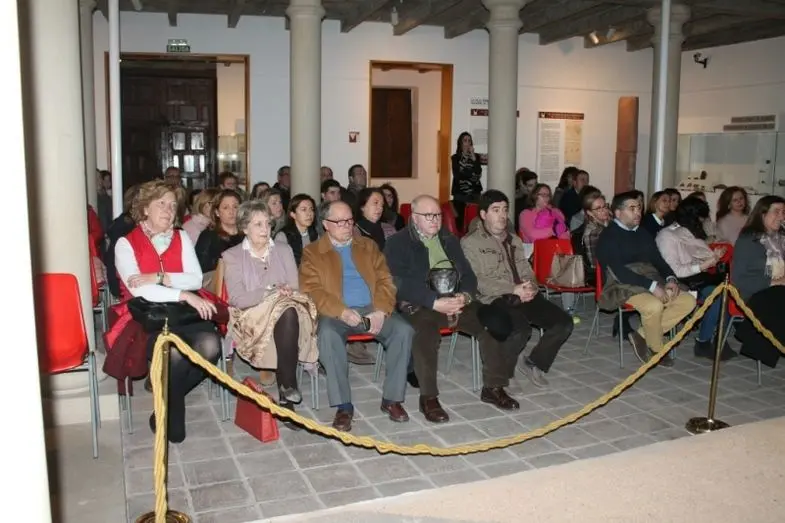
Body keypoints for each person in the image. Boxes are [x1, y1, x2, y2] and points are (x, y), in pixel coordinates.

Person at [385, 195, 524, 422]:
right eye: (428, 215)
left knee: (492, 322)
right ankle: (429, 397)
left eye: (437, 215)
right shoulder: (397, 243)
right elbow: (397, 282)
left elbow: (468, 276)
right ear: (414, 218)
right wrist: (433, 301)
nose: (434, 220)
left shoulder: (449, 239)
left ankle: (493, 387)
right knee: (425, 332)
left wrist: (464, 296)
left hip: (455, 301)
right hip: (421, 304)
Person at [110, 180, 221, 443]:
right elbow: (140, 290)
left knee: (211, 345)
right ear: (144, 209)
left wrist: (159, 277)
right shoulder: (125, 243)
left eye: (172, 205)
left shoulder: (181, 237)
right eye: (161, 204)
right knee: (173, 352)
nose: (169, 210)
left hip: (183, 312)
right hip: (145, 317)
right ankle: (171, 412)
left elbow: (195, 278)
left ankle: (165, 402)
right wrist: (182, 293)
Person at [299, 200, 414, 432]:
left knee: (404, 331)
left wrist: (381, 310)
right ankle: (343, 406)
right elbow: (312, 290)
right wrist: (341, 311)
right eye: (339, 221)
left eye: (349, 220)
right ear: (325, 224)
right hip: (336, 312)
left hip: (372, 308)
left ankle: (392, 399)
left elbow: (385, 280)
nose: (346, 225)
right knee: (328, 335)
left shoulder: (368, 246)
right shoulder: (313, 252)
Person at [462, 190, 573, 389]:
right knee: (520, 329)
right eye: (496, 210)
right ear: (483, 214)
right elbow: (478, 281)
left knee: (564, 323)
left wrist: (531, 286)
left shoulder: (514, 240)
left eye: (505, 209)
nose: (502, 215)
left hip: (522, 293)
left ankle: (534, 363)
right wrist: (513, 289)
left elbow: (525, 269)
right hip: (494, 297)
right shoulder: (470, 242)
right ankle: (506, 371)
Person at [222, 200, 319, 426]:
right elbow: (237, 298)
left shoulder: (283, 250)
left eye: (267, 223)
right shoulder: (232, 256)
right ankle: (288, 391)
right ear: (244, 227)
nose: (265, 229)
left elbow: (294, 287)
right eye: (258, 224)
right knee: (286, 311)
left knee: (288, 311)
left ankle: (286, 389)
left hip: (287, 310)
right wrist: (270, 291)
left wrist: (282, 293)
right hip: (251, 315)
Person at [596, 192, 696, 366]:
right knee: (654, 306)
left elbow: (658, 260)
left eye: (639, 208)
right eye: (632, 208)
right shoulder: (608, 236)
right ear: (618, 213)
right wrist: (652, 286)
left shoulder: (642, 233)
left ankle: (641, 335)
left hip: (649, 278)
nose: (637, 212)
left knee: (688, 301)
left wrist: (671, 279)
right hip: (621, 285)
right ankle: (657, 349)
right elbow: (619, 272)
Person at [656, 196, 735, 360]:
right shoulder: (667, 235)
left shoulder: (689, 232)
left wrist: (714, 256)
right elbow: (675, 271)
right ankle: (703, 342)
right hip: (679, 282)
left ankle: (719, 337)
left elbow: (700, 256)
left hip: (698, 277)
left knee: (731, 290)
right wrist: (706, 263)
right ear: (693, 218)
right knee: (718, 295)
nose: (704, 224)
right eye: (701, 220)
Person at [731, 195, 785, 368]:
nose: (781, 216)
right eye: (776, 211)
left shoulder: (782, 239)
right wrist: (774, 282)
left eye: (784, 212)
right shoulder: (748, 240)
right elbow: (738, 279)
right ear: (762, 214)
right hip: (755, 292)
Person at [194, 189, 244, 274]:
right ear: (217, 212)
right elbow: (200, 271)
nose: (231, 212)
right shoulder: (208, 236)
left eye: (235, 207)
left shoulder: (248, 234)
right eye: (226, 208)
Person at [573, 190, 610, 287]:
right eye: (598, 208)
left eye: (605, 206)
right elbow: (596, 263)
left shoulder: (610, 224)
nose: (604, 210)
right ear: (589, 212)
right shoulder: (593, 232)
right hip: (602, 274)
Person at [450, 132, 483, 232]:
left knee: (475, 220)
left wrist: (473, 157)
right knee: (460, 222)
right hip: (460, 193)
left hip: (475, 193)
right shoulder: (455, 158)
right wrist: (472, 174)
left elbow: (478, 172)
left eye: (469, 141)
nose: (467, 143)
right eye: (465, 140)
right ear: (460, 143)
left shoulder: (476, 157)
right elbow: (458, 175)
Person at [275, 194, 319, 267]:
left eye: (311, 209)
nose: (309, 214)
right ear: (293, 214)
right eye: (304, 209)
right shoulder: (283, 236)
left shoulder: (315, 234)